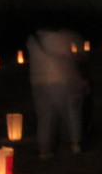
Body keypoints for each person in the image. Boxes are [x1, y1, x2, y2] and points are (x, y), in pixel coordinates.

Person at [26, 23, 88, 159]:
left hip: (38, 82)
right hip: (61, 80)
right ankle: (75, 143)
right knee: (71, 113)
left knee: (44, 117)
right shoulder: (63, 37)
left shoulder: (32, 40)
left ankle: (44, 149)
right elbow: (74, 57)